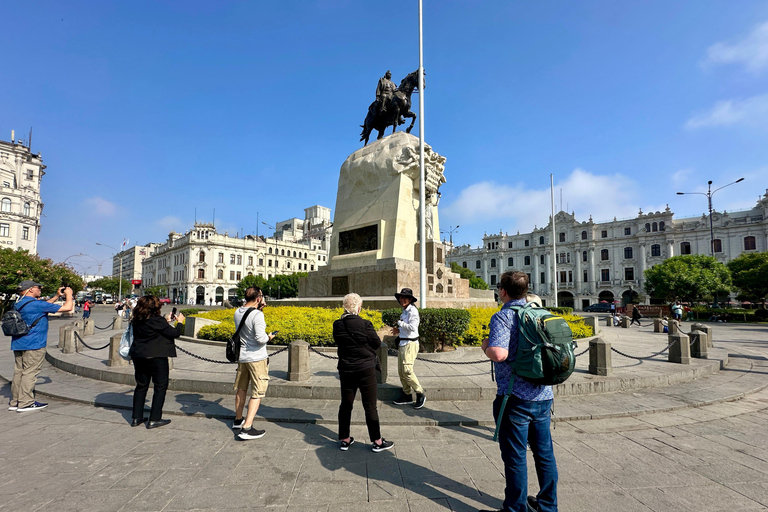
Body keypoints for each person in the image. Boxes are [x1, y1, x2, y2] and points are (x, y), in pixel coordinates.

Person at [481, 271, 558, 512]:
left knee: (515, 457)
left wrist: (486, 346)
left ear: (503, 291)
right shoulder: (541, 313)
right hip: (544, 395)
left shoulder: (504, 316)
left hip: (514, 397)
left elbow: (499, 354)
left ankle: (515, 509)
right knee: (544, 453)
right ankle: (548, 506)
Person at [333, 293, 394, 453]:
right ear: (359, 308)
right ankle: (377, 441)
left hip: (346, 369)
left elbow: (338, 341)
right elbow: (375, 343)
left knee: (346, 404)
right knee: (370, 406)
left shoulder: (337, 325)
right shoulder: (365, 324)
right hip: (366, 369)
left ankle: (345, 439)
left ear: (344, 307)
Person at [9, 280, 74, 412]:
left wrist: (56, 296)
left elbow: (43, 306)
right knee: (30, 372)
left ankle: (15, 401)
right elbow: (68, 308)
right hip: (34, 343)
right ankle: (26, 402)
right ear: (31, 289)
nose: (40, 289)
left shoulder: (19, 303)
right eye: (38, 288)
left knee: (19, 372)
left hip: (18, 342)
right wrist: (69, 294)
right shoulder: (36, 304)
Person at [129, 295, 184, 429]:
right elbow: (175, 333)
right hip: (156, 357)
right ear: (156, 307)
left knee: (141, 386)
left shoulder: (136, 319)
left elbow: (154, 328)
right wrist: (180, 322)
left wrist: (166, 321)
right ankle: (154, 418)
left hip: (139, 356)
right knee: (160, 387)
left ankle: (137, 417)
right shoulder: (157, 320)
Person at [232, 286, 273, 440]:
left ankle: (238, 419)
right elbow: (260, 338)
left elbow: (247, 325)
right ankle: (247, 427)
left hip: (243, 357)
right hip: (257, 358)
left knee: (242, 388)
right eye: (262, 296)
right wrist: (269, 337)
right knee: (257, 392)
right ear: (258, 298)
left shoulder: (238, 311)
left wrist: (259, 309)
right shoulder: (257, 315)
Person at [392, 287, 426, 409]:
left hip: (410, 344)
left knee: (407, 370)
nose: (403, 300)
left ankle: (420, 392)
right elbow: (406, 328)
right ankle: (407, 394)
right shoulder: (404, 311)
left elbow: (413, 327)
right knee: (401, 371)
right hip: (403, 343)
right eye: (401, 297)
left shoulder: (413, 311)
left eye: (405, 298)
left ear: (410, 299)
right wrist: (398, 329)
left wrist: (400, 324)